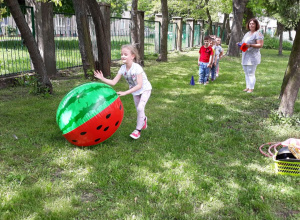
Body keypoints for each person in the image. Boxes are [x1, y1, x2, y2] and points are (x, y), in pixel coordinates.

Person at [94, 44, 152, 140]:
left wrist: (125, 92)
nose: (122, 56)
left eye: (125, 54)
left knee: (140, 108)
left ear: (132, 56)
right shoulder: (122, 68)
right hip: (135, 91)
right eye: (122, 54)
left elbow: (139, 85)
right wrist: (102, 78)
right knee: (139, 109)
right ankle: (144, 119)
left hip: (145, 89)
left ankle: (138, 130)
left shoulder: (137, 68)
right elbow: (113, 82)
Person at [238, 18, 264, 93]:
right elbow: (245, 43)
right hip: (245, 55)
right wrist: (240, 44)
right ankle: (247, 86)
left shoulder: (258, 34)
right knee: (246, 72)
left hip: (253, 57)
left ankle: (251, 88)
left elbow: (260, 45)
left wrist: (250, 45)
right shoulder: (247, 33)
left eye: (253, 23)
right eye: (250, 23)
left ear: (256, 25)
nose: (251, 25)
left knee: (251, 72)